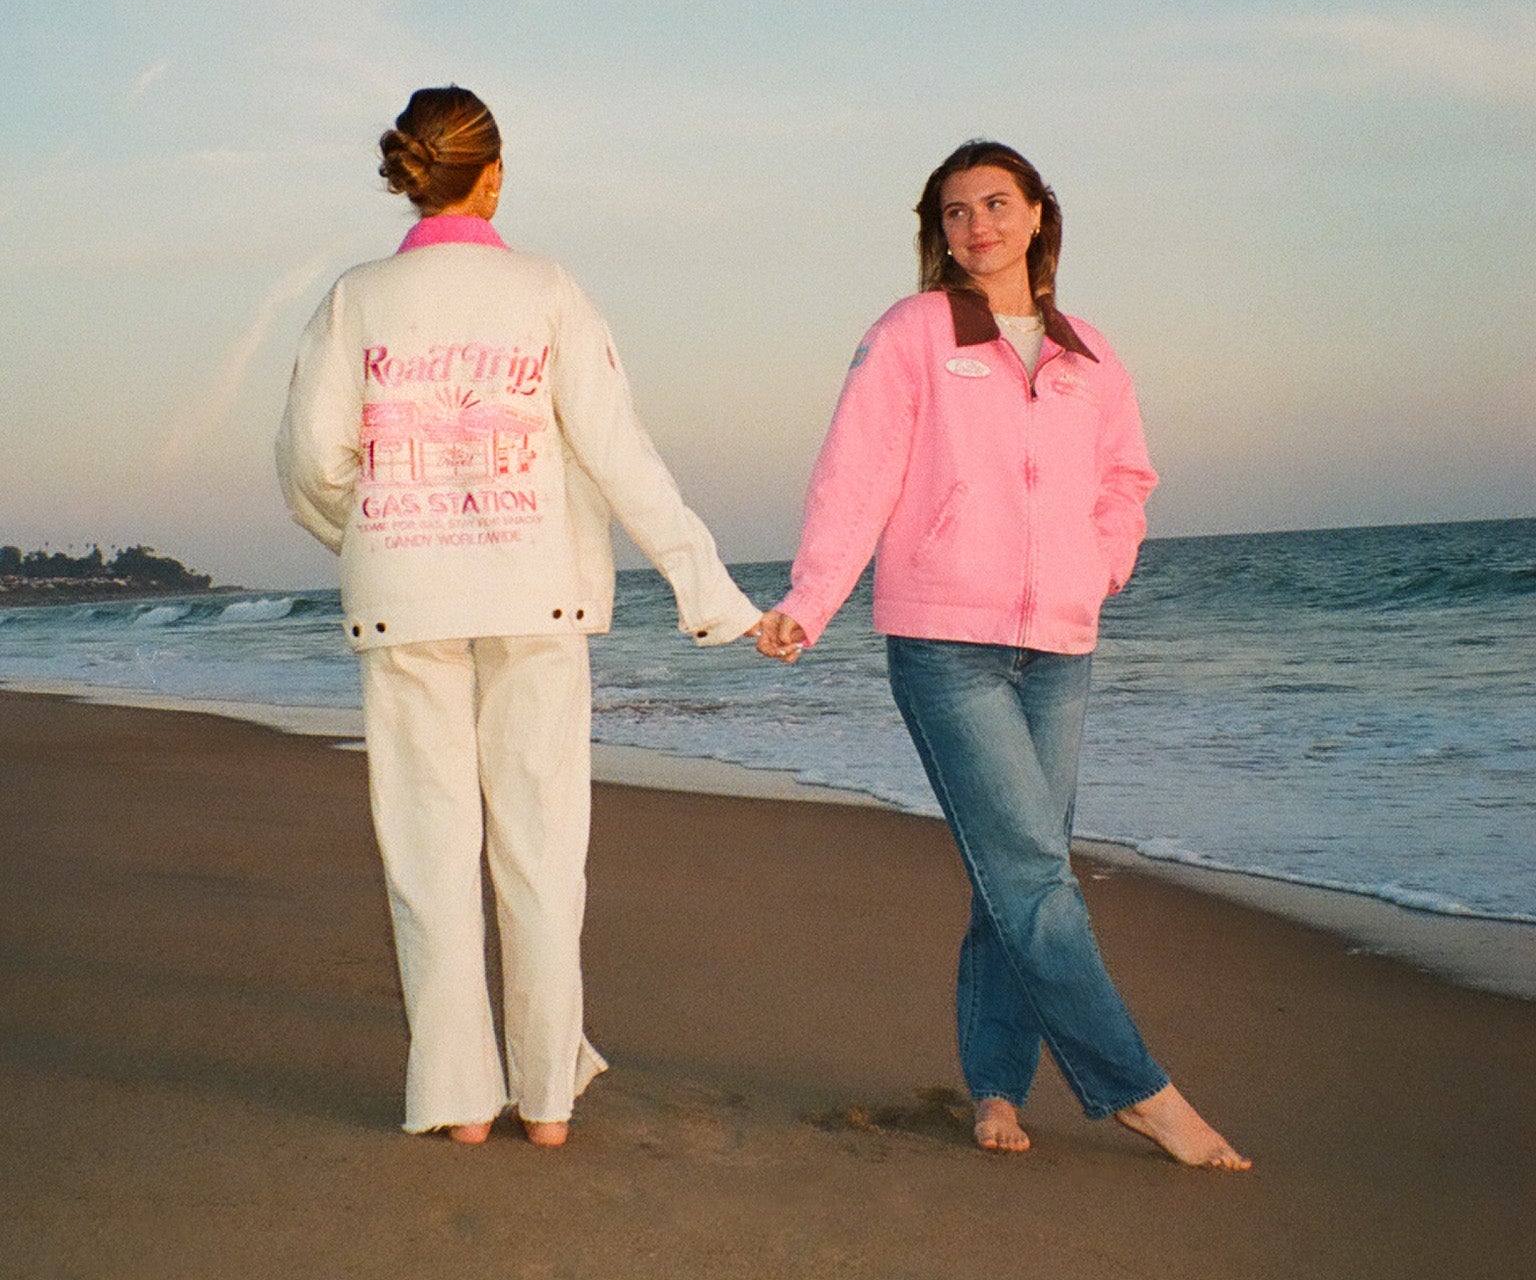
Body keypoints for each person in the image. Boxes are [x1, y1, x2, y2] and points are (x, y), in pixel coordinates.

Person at [276, 86, 759, 1147]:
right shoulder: (545, 289)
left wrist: (369, 540)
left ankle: (458, 1103)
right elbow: (615, 449)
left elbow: (310, 462)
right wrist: (706, 588)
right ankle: (544, 1100)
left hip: (406, 604)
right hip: (536, 595)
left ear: (410, 177)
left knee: (428, 851)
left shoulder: (357, 298)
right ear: (492, 175)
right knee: (542, 848)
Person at [755, 140, 1249, 1170]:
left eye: (995, 204)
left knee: (1013, 875)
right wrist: (810, 599)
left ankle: (993, 1089)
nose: (976, 226)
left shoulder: (1089, 352)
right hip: (945, 643)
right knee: (1032, 876)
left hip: (1059, 644)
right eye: (954, 213)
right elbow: (856, 478)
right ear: (938, 234)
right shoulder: (911, 335)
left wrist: (1099, 566)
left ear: (1036, 215)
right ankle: (1139, 1092)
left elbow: (1128, 478)